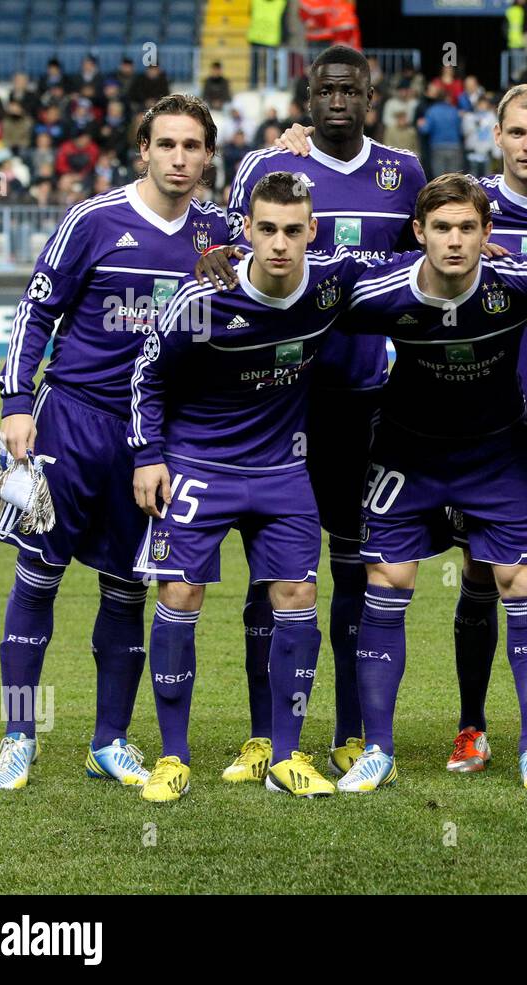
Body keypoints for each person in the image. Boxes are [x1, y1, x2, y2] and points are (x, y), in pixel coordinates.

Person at [330, 174, 527, 794]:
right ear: (419, 234)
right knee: (387, 582)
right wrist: (227, 256)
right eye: (441, 228)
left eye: (468, 227)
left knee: (523, 583)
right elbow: (300, 281)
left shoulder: (522, 281)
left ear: (487, 233)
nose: (455, 240)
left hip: (497, 456)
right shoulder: (382, 292)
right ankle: (378, 749)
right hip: (407, 456)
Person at [197, 44, 427, 786]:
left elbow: (429, 266)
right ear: (306, 93)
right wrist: (212, 248)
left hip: (365, 402)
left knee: (355, 571)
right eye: (325, 88)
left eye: (350, 89)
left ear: (372, 95)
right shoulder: (270, 169)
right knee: (272, 577)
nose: (337, 99)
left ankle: (352, 733)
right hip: (277, 404)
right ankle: (265, 734)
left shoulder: (404, 174)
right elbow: (226, 250)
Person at [0, 95, 227, 791]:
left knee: (128, 587)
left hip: (153, 438)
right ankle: (18, 735)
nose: (179, 158)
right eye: (167, 144)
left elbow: (288, 231)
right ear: (143, 149)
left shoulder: (217, 230)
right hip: (73, 421)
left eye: (193, 146)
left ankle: (109, 740)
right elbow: (37, 307)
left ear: (208, 155)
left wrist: (289, 153)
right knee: (39, 575)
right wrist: (14, 400)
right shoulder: (94, 219)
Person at [129, 172, 377, 802]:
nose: (279, 243)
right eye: (265, 229)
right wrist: (148, 456)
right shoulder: (201, 301)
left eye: (293, 230)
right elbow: (148, 377)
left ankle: (287, 755)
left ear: (311, 232)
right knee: (181, 596)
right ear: (246, 231)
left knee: (297, 593)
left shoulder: (329, 284)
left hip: (282, 471)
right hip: (196, 468)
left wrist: (475, 250)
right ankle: (173, 757)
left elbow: (408, 260)